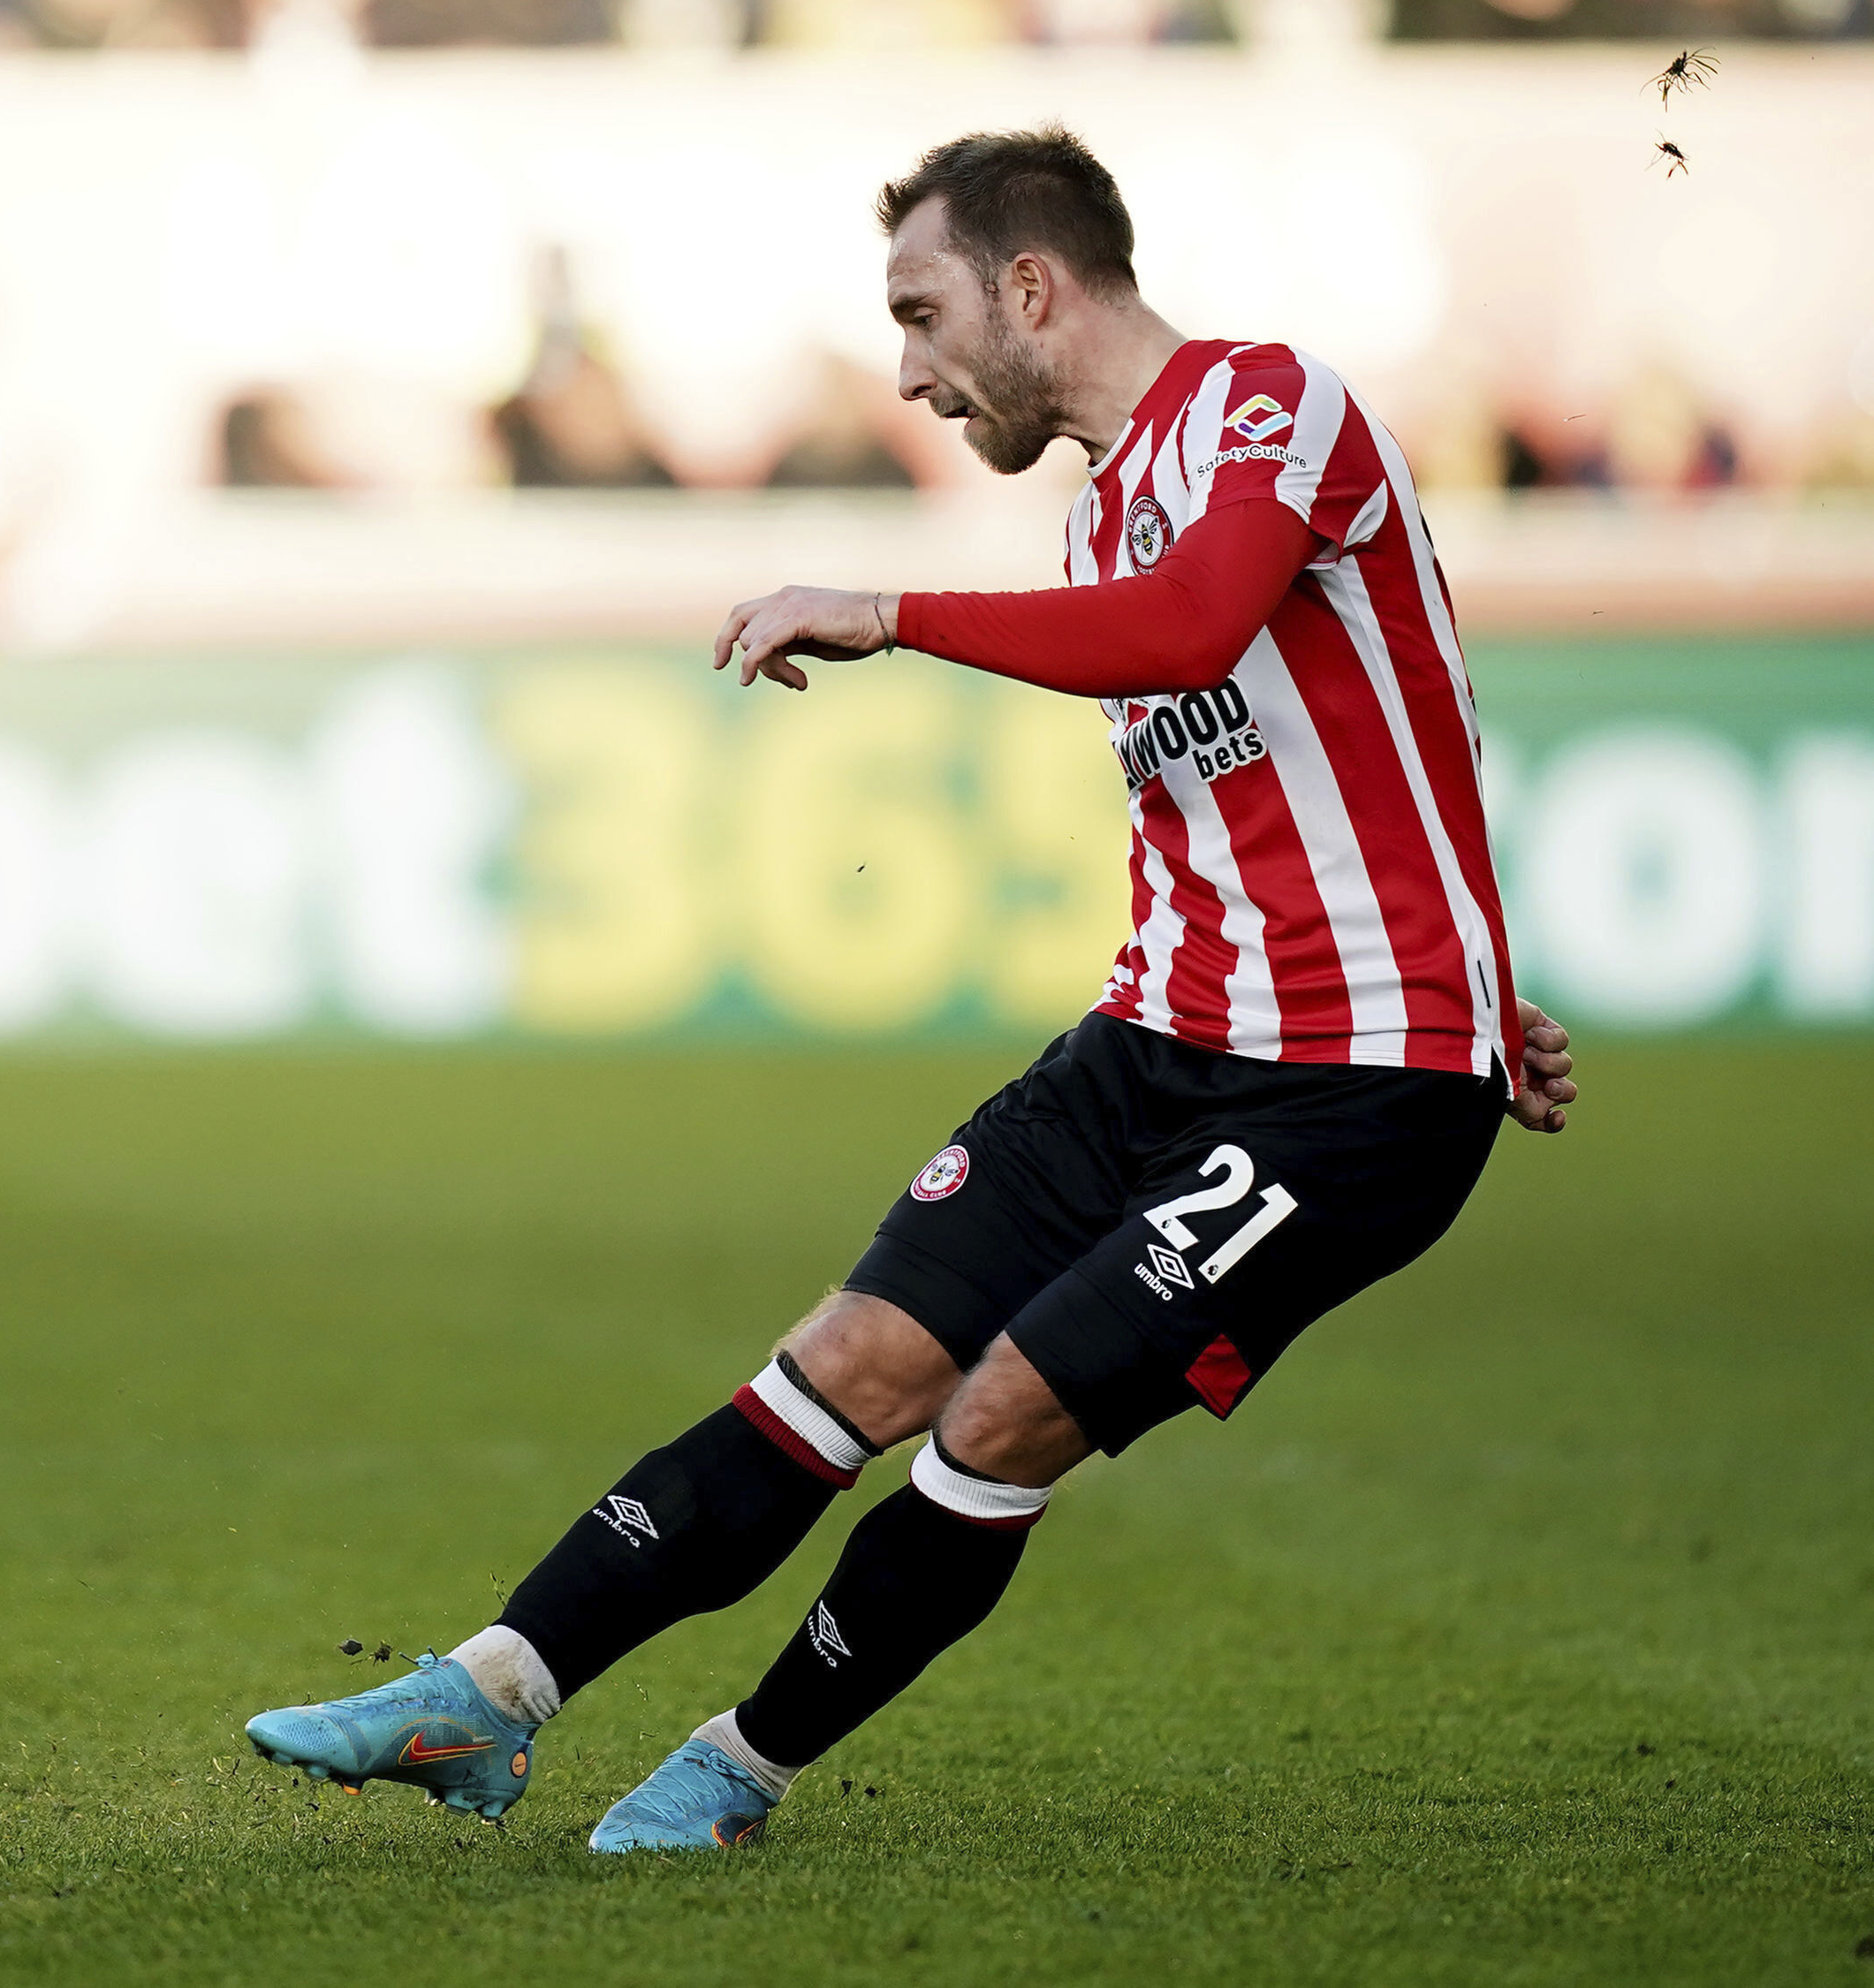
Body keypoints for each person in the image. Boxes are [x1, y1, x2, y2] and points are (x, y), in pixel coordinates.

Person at [241, 126, 1583, 1853]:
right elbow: (1317, 766)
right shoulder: (1109, 497)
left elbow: (1190, 633)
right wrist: (1478, 970)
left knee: (1004, 1407)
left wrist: (889, 609)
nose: (909, 373)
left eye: (922, 313)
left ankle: (738, 1769)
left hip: (1347, 1092)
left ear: (1030, 286)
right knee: (848, 1360)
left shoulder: (1266, 407)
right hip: (1156, 1040)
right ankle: (484, 1698)